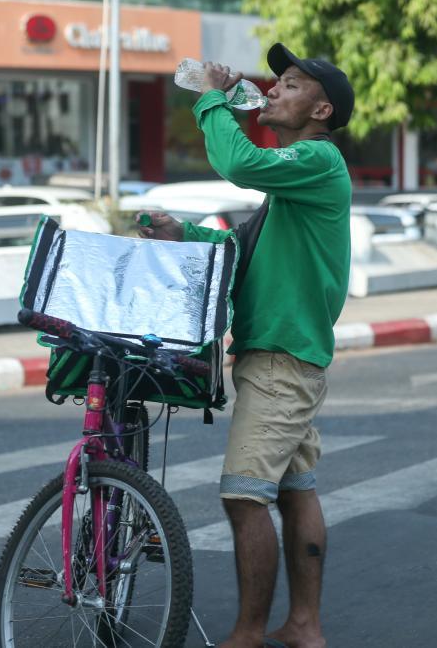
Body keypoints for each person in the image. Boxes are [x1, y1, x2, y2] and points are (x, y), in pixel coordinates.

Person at [138, 43, 354, 648]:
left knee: (243, 496)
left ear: (321, 111)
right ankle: (304, 625)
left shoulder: (316, 158)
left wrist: (211, 97)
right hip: (286, 351)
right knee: (293, 488)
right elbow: (242, 250)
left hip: (283, 356)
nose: (274, 89)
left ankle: (248, 633)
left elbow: (237, 163)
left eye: (291, 84)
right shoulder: (294, 181)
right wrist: (184, 233)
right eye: (277, 81)